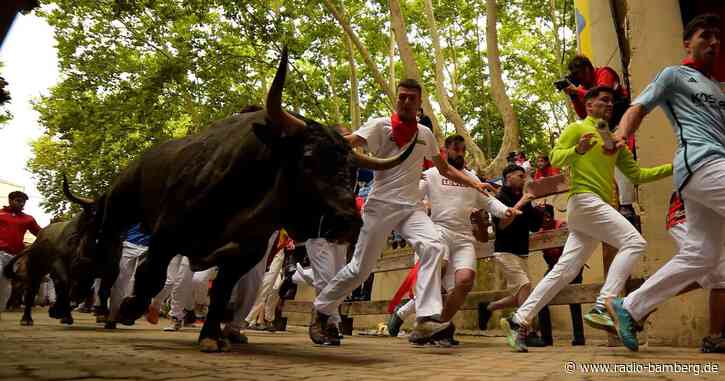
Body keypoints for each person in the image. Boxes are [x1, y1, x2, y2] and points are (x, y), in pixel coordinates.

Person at [309, 78, 496, 346]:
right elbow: (350, 142)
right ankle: (322, 308)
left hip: (411, 208)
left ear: (420, 104)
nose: (406, 101)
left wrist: (474, 182)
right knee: (360, 269)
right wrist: (320, 143)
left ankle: (425, 319)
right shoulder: (378, 125)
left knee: (433, 246)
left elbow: (444, 169)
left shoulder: (425, 135)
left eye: (412, 98)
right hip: (381, 205)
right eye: (402, 97)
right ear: (396, 100)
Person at [499, 86, 672, 352]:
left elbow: (638, 175)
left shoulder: (614, 141)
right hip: (583, 201)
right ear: (589, 106)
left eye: (611, 102)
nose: (609, 105)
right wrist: (577, 151)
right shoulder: (577, 128)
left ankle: (518, 319)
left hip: (590, 211)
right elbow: (556, 156)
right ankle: (604, 304)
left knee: (564, 271)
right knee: (634, 242)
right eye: (603, 100)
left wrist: (676, 167)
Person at [606, 14, 724, 352]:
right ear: (688, 43)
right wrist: (620, 134)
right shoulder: (673, 75)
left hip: (710, 169)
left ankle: (629, 307)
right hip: (701, 163)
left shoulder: (716, 88)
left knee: (702, 255)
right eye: (705, 36)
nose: (713, 43)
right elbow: (639, 106)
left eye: (717, 38)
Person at [387, 135, 518, 345]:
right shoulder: (431, 174)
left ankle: (440, 326)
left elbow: (488, 201)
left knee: (465, 281)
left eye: (462, 150)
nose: (459, 153)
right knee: (439, 267)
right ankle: (417, 319)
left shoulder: (472, 178)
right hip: (438, 230)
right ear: (444, 151)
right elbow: (413, 194)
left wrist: (506, 211)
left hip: (464, 237)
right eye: (455, 149)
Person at [479, 164, 543, 344]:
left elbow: (534, 226)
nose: (524, 179)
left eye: (524, 176)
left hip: (522, 252)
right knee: (525, 285)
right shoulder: (500, 197)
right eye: (520, 176)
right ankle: (525, 331)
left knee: (521, 296)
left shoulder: (523, 197)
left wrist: (537, 208)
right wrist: (522, 202)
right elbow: (502, 225)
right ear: (508, 178)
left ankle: (488, 307)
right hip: (504, 251)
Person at [664, 193, 725, 353]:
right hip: (686, 219)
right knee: (720, 277)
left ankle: (639, 304)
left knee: (711, 277)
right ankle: (715, 338)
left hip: (701, 219)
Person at [535, 204, 585, 346]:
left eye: (547, 216)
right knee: (540, 295)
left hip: (572, 265)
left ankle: (579, 337)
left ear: (551, 216)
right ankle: (546, 338)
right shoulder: (540, 231)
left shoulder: (561, 225)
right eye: (542, 217)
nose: (545, 219)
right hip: (554, 267)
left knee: (574, 299)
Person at [0, 191, 41, 317]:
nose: (20, 203)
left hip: (15, 256)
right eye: (18, 200)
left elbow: (41, 233)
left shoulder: (28, 218)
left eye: (22, 201)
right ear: (10, 200)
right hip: (0, 252)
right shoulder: (1, 214)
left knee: (5, 284)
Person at [106, 224, 149, 329]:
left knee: (140, 283)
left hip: (149, 247)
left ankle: (129, 314)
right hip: (128, 244)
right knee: (120, 282)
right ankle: (112, 317)